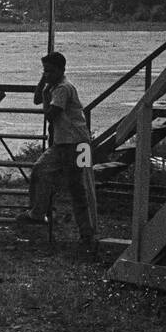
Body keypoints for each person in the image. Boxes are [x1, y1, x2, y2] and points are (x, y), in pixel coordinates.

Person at [19, 51, 98, 245]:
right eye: (45, 71)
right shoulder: (53, 85)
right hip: (63, 143)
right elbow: (37, 99)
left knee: (80, 187)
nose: (47, 74)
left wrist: (46, 92)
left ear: (61, 70)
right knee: (40, 169)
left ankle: (88, 232)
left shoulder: (63, 88)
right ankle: (37, 213)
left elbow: (50, 114)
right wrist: (43, 81)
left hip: (79, 144)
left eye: (51, 71)